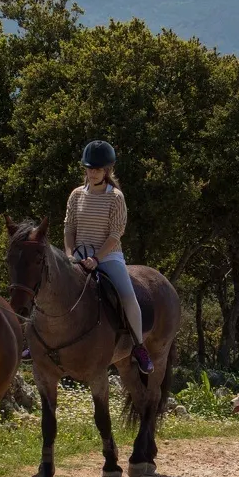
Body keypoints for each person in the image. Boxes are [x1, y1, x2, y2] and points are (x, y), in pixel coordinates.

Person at [65, 140, 152, 374]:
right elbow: (69, 228)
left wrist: (96, 259)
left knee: (127, 296)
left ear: (107, 171)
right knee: (50, 284)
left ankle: (139, 346)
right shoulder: (76, 195)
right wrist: (69, 254)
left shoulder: (116, 197)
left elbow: (115, 234)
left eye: (97, 169)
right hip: (79, 255)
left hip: (108, 256)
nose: (92, 173)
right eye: (89, 168)